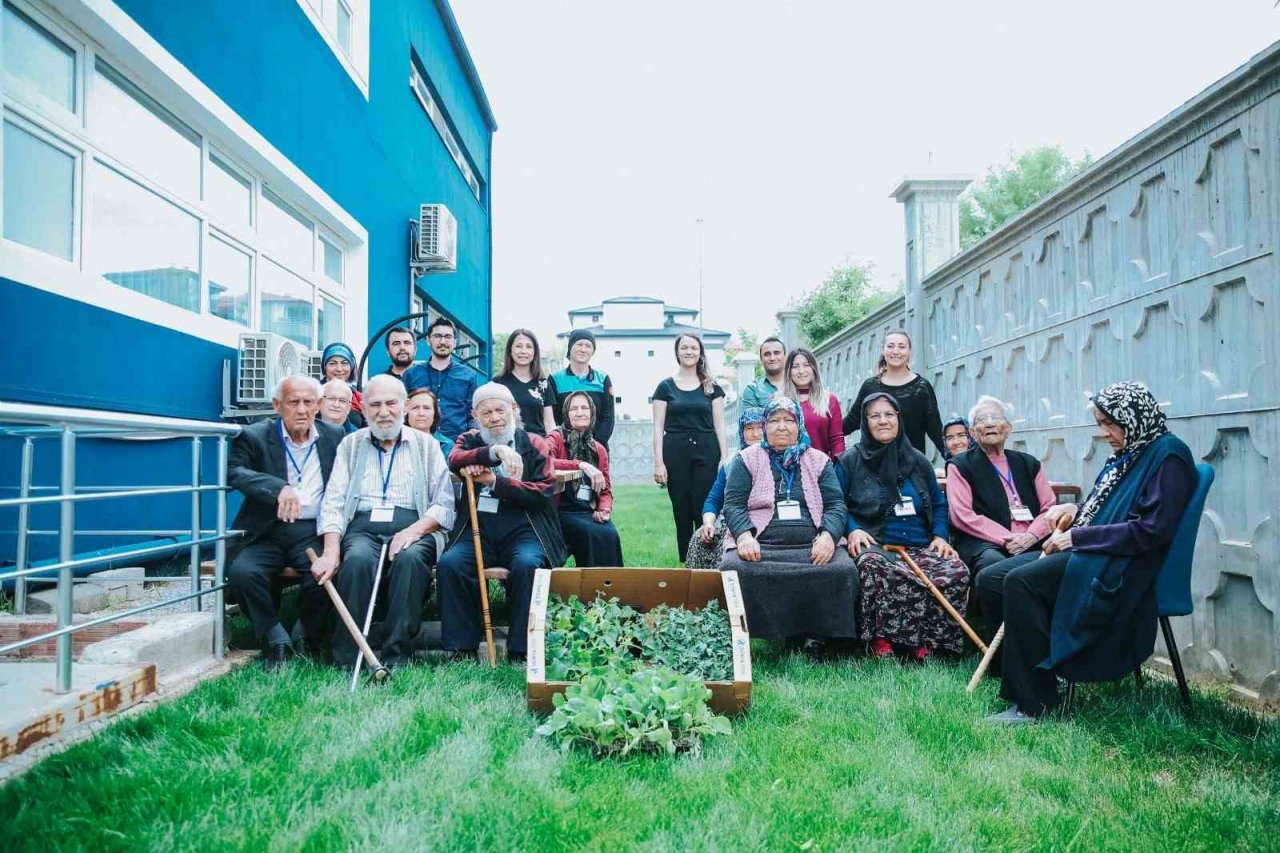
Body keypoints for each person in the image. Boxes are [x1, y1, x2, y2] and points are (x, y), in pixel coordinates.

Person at [977, 382, 1196, 724]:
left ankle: (1035, 703)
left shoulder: (1169, 457)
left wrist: (1077, 538)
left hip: (1122, 563)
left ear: (1133, 418)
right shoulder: (1131, 451)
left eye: (1110, 424)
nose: (1104, 433)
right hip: (1102, 549)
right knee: (993, 577)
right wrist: (1072, 511)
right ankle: (1027, 675)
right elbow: (1108, 506)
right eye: (1100, 424)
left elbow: (1149, 532)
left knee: (1022, 581)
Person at [311, 375, 455, 671]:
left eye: (391, 403)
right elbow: (334, 502)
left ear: (404, 407)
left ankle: (397, 653)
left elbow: (444, 505)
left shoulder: (426, 445)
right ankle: (348, 655)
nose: (383, 411)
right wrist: (330, 550)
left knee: (410, 560)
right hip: (363, 527)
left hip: (416, 526)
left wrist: (413, 531)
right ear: (363, 410)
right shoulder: (350, 445)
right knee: (357, 561)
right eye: (375, 405)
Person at [438, 383, 566, 663]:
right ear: (475, 415)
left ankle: (521, 649)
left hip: (525, 528)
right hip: (478, 529)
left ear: (514, 410)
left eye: (500, 410)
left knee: (527, 565)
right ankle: (461, 648)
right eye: (486, 412)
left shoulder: (534, 443)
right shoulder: (470, 440)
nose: (494, 417)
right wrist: (492, 453)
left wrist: (496, 482)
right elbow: (454, 458)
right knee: (451, 564)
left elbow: (543, 492)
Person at [840, 392, 969, 664]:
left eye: (889, 414)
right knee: (873, 567)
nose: (883, 421)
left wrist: (940, 536)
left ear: (899, 418)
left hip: (920, 543)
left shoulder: (918, 460)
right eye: (875, 416)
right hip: (878, 542)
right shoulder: (851, 461)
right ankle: (884, 641)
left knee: (955, 570)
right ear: (865, 422)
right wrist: (852, 529)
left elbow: (939, 503)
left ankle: (928, 642)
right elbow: (836, 504)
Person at [227, 376, 343, 671]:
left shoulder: (334, 435)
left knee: (326, 574)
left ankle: (304, 632)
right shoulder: (254, 435)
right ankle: (274, 636)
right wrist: (277, 487)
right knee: (242, 572)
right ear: (277, 405)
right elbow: (233, 471)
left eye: (309, 402)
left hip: (312, 530)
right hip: (269, 529)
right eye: (294, 402)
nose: (302, 409)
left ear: (318, 405)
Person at [721, 397, 854, 652]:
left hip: (810, 546)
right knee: (734, 566)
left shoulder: (818, 460)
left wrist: (827, 536)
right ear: (764, 425)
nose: (782, 427)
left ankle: (819, 636)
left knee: (842, 569)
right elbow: (734, 504)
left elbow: (836, 504)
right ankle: (762, 635)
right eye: (774, 420)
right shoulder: (746, 459)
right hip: (764, 546)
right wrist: (744, 537)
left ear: (799, 424)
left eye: (789, 420)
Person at [946, 396, 1058, 588]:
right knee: (993, 566)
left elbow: (1049, 507)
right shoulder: (960, 465)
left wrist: (1031, 535)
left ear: (1008, 428)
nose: (989, 424)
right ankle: (1000, 618)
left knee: (1060, 555)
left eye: (996, 418)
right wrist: (1007, 538)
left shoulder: (1028, 463)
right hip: (985, 542)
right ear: (972, 432)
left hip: (1033, 536)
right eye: (981, 420)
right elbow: (961, 514)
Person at [652, 333, 728, 563]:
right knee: (682, 510)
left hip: (707, 450)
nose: (689, 352)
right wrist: (659, 462)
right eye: (684, 347)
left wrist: (724, 457)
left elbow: (720, 425)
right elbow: (657, 427)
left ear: (700, 352)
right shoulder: (665, 387)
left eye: (693, 348)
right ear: (677, 352)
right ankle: (687, 562)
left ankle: (709, 560)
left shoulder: (711, 386)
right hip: (675, 451)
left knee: (704, 507)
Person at [544, 392, 624, 567]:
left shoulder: (599, 449)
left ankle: (612, 588)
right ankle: (591, 588)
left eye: (584, 408)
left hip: (588, 510)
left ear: (592, 413)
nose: (579, 413)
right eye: (574, 408)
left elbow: (606, 490)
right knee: (589, 532)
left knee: (610, 533)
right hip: (560, 512)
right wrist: (580, 464)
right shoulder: (556, 438)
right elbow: (543, 460)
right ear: (566, 413)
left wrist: (604, 508)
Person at [685, 407, 766, 570]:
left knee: (726, 545)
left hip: (759, 521)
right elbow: (713, 500)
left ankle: (726, 590)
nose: (755, 434)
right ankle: (699, 591)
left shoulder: (775, 459)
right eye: (749, 428)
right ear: (742, 432)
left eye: (760, 428)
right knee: (699, 538)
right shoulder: (731, 463)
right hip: (729, 519)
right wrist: (708, 523)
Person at [844, 331, 946, 458]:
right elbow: (851, 422)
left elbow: (935, 430)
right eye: (890, 346)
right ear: (883, 350)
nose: (895, 351)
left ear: (910, 352)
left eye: (902, 346)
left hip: (911, 466)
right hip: (873, 465)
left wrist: (956, 463)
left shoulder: (922, 388)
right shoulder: (870, 386)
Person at [403, 317, 479, 444]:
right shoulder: (411, 374)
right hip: (417, 443)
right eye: (437, 336)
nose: (443, 341)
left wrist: (472, 432)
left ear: (454, 342)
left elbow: (473, 412)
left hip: (456, 446)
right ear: (428, 340)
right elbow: (403, 409)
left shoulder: (468, 375)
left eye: (448, 337)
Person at [545, 329, 616, 448]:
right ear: (570, 347)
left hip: (597, 447)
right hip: (564, 448)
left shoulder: (602, 379)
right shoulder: (555, 379)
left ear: (593, 351)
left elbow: (608, 417)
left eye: (588, 346)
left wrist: (595, 444)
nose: (583, 349)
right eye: (579, 344)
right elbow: (552, 417)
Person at [781, 347, 845, 460]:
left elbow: (837, 440)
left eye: (806, 365)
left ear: (814, 368)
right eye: (795, 366)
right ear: (788, 371)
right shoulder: (778, 401)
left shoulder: (829, 400)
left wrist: (838, 469)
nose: (801, 371)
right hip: (786, 471)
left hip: (821, 469)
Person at [494, 328, 553, 438]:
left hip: (539, 447)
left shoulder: (543, 383)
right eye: (518, 346)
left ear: (535, 352)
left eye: (529, 346)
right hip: (508, 446)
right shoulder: (498, 383)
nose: (523, 351)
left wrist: (552, 446)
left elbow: (549, 423)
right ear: (510, 351)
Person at [321, 342, 363, 426]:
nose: (339, 369)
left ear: (351, 367)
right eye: (333, 363)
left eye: (344, 363)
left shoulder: (359, 397)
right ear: (324, 367)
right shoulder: (313, 394)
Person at [405, 387, 453, 457]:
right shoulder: (395, 443)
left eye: (426, 408)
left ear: (435, 413)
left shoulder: (447, 446)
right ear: (406, 413)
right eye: (415, 408)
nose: (421, 413)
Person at [742, 337, 786, 408]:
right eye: (767, 354)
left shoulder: (796, 383)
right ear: (761, 359)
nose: (772, 358)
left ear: (785, 356)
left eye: (777, 353)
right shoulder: (752, 389)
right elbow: (750, 418)